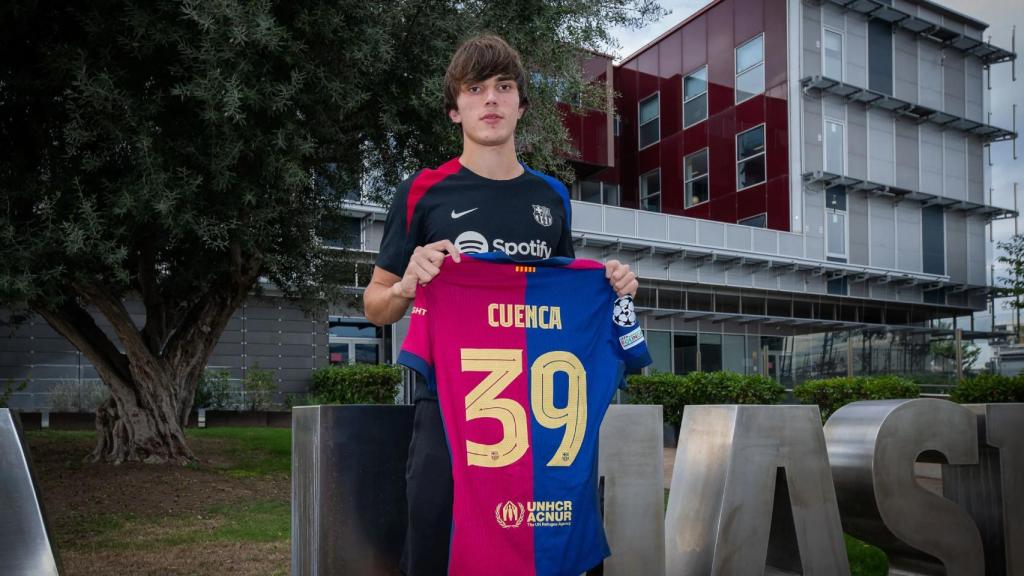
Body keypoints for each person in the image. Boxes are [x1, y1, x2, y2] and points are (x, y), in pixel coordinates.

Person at [363, 33, 637, 576]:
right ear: (455, 109)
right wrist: (404, 288)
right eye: (476, 88)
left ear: (521, 105)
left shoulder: (551, 196)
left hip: (544, 417)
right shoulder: (422, 190)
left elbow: (562, 295)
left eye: (504, 87)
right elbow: (375, 306)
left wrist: (611, 284)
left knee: (548, 550)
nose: (491, 99)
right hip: (447, 411)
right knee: (440, 554)